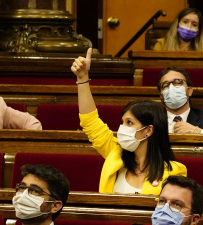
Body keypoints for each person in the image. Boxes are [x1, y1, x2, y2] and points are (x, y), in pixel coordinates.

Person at [72, 49, 187, 195]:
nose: (122, 128)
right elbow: (90, 122)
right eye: (123, 122)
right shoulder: (116, 154)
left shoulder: (174, 171)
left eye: (129, 123)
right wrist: (82, 79)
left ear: (149, 130)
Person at [157, 67, 203, 134]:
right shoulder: (152, 120)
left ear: (189, 91)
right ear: (161, 96)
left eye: (178, 82)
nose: (171, 88)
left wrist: (200, 133)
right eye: (165, 85)